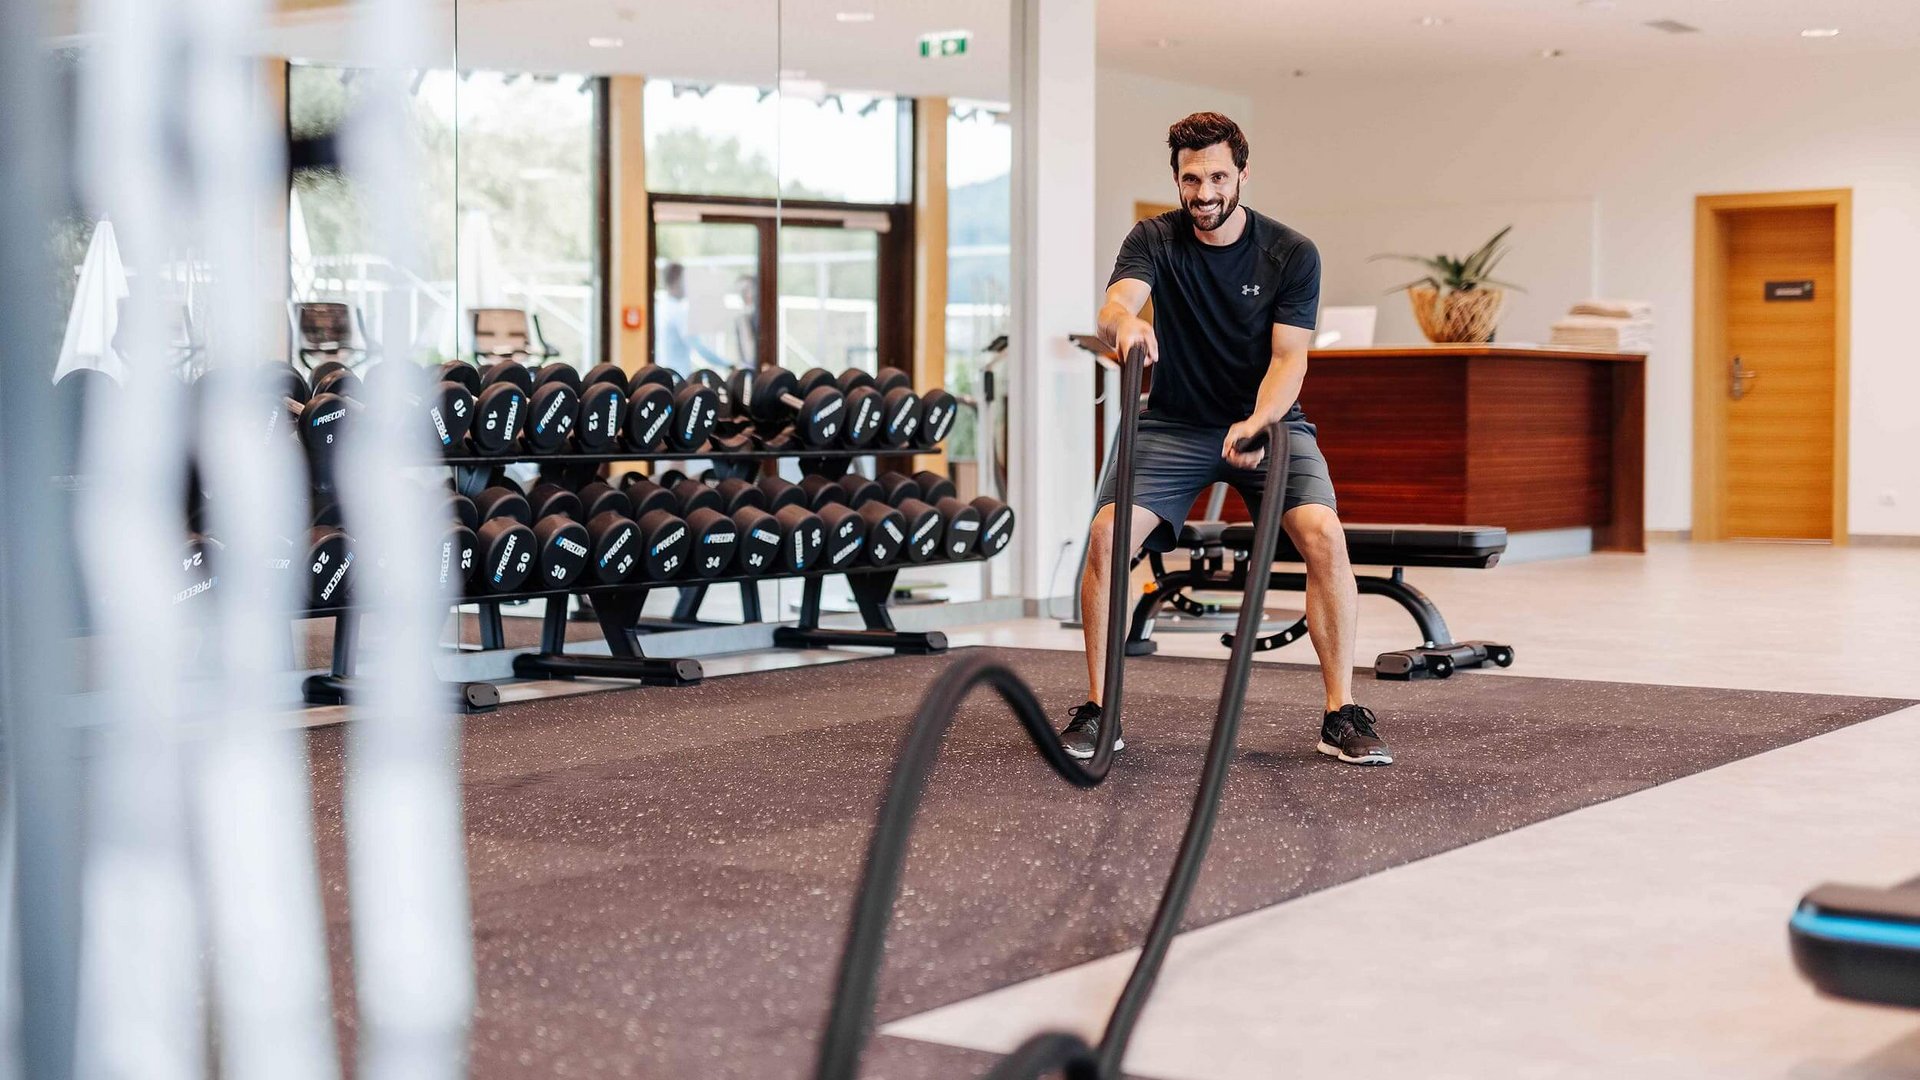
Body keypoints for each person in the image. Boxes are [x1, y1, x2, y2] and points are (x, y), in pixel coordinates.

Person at [1062, 112, 1389, 767]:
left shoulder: (1290, 253)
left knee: (1323, 534)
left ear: (1243, 172)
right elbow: (1114, 305)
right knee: (1105, 536)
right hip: (1174, 424)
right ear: (1176, 179)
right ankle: (1102, 709)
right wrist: (1124, 325)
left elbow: (1289, 358)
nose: (1204, 192)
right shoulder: (1154, 238)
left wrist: (1261, 419)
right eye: (1191, 178)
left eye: (1217, 176)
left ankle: (1341, 713)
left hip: (1268, 421)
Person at [655, 261, 730, 376]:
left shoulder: (659, 307)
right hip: (679, 378)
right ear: (677, 282)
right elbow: (698, 346)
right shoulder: (679, 312)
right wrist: (728, 365)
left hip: (664, 374)